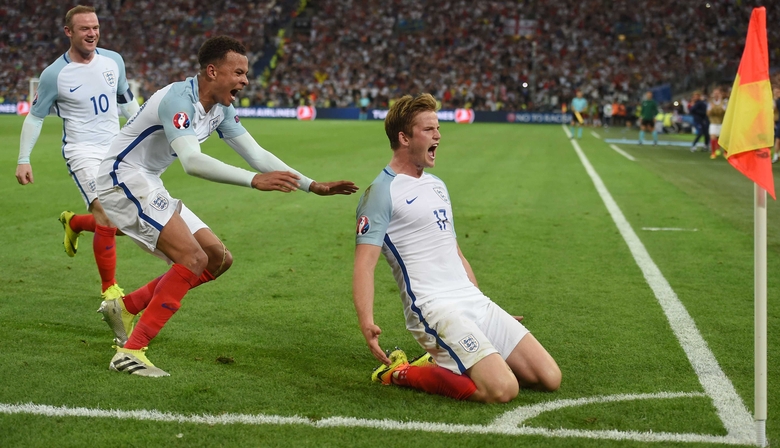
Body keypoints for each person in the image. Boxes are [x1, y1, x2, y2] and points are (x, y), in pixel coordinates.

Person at [95, 35, 359, 377]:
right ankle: (130, 352)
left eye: (245, 73)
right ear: (212, 71)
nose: (245, 80)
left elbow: (257, 154)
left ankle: (125, 307)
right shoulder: (179, 99)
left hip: (147, 180)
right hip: (121, 179)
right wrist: (253, 180)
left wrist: (312, 185)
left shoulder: (221, 109)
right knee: (193, 259)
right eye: (238, 72)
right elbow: (192, 161)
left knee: (217, 259)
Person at [352, 93, 561, 403]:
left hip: (470, 301)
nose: (438, 135)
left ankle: (447, 358)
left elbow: (455, 252)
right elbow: (364, 264)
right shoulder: (381, 192)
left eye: (438, 128)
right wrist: (366, 321)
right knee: (503, 389)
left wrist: (482, 302)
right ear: (404, 138)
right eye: (429, 129)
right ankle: (400, 372)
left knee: (548, 378)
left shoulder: (437, 185)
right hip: (433, 308)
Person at [14, 5, 139, 301]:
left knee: (130, 223)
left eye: (95, 28)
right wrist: (23, 159)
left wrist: (144, 137)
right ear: (69, 32)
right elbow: (35, 117)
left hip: (115, 149)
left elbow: (127, 102)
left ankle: (74, 223)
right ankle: (110, 291)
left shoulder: (114, 61)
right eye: (85, 28)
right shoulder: (54, 74)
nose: (92, 33)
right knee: (106, 216)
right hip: (82, 151)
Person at [706, 87, 727, 159]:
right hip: (713, 122)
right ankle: (713, 152)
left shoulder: (724, 102)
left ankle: (725, 152)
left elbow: (726, 112)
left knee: (723, 138)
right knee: (713, 136)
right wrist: (712, 109)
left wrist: (721, 109)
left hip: (722, 122)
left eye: (717, 93)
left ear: (720, 94)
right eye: (715, 93)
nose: (716, 95)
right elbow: (708, 113)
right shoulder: (710, 102)